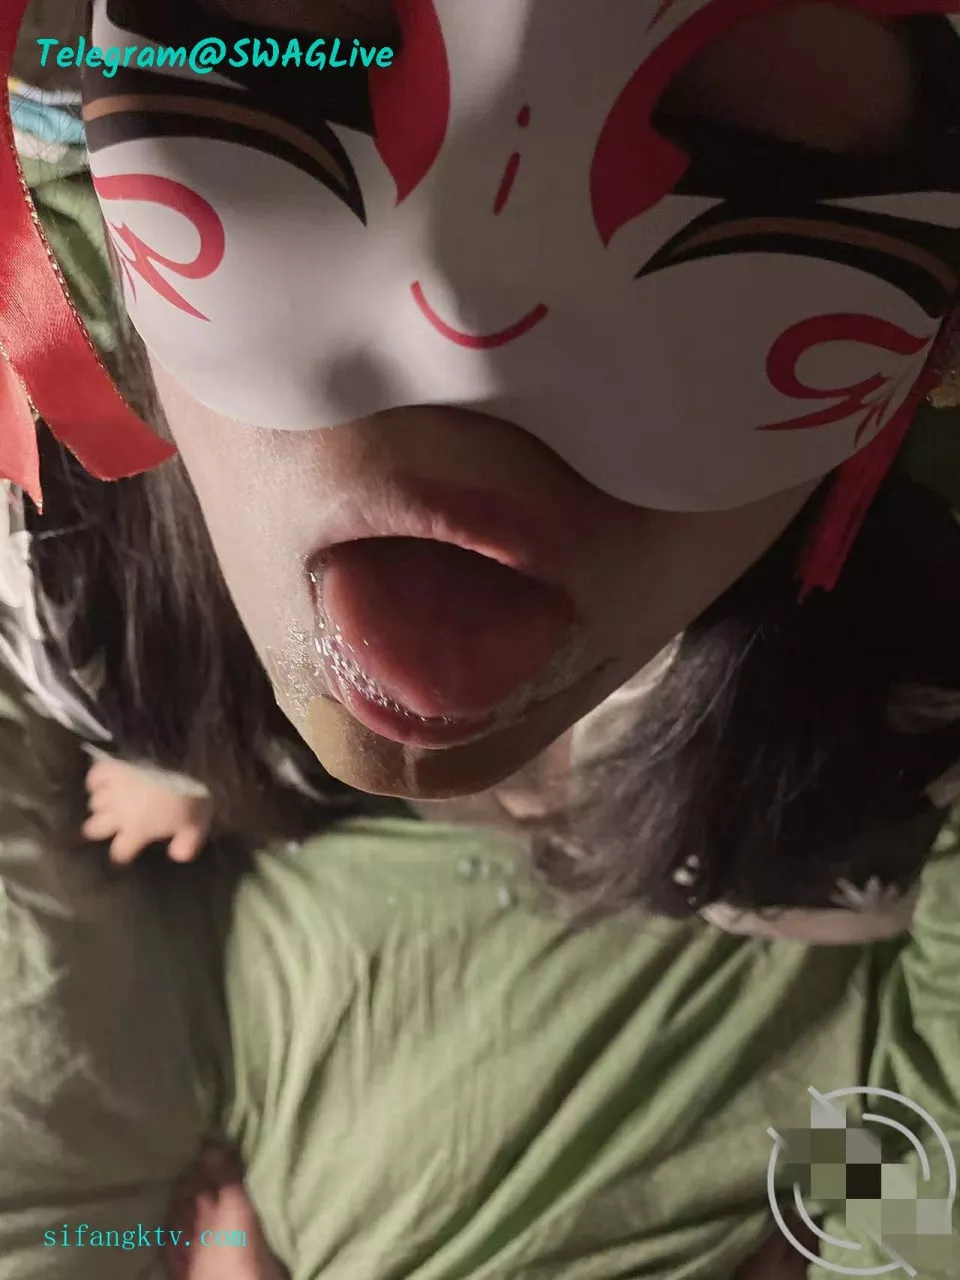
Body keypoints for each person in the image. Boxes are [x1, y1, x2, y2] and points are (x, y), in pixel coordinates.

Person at [1, 1, 960, 1277]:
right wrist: (824, 1227)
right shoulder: (894, 749)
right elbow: (912, 1127)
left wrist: (181, 758)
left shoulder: (86, 623)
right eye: (750, 122)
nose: (460, 308)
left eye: (736, 125)